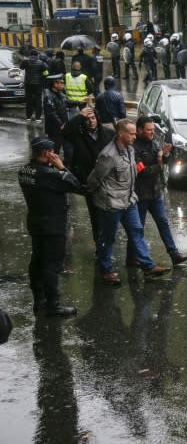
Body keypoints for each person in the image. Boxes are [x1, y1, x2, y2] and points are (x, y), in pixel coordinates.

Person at [86, 119, 170, 286]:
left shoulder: (130, 149)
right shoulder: (108, 155)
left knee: (137, 231)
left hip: (129, 200)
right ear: (120, 134)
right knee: (108, 238)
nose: (134, 136)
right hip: (111, 204)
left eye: (134, 133)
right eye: (131, 133)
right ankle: (106, 271)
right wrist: (100, 197)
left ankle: (147, 266)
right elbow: (94, 179)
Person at [18, 136, 84, 316]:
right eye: (53, 152)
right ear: (47, 153)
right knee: (52, 265)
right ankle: (53, 304)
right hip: (53, 225)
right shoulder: (50, 174)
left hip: (35, 222)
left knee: (37, 260)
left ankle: (39, 300)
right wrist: (62, 167)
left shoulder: (24, 171)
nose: (55, 154)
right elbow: (77, 186)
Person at [128, 116, 187, 267]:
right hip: (140, 194)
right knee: (138, 228)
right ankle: (131, 257)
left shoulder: (155, 141)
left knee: (163, 223)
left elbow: (163, 159)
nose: (152, 132)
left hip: (156, 192)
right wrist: (160, 162)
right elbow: (143, 171)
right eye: (148, 130)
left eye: (152, 129)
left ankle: (174, 254)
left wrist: (166, 154)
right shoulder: (133, 148)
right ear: (139, 130)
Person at [62, 106, 115, 244]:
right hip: (89, 181)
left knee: (111, 213)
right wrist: (80, 116)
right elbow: (65, 131)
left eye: (93, 118)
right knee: (95, 215)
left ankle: (109, 240)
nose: (91, 121)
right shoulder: (78, 135)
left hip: (108, 180)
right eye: (87, 119)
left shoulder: (109, 134)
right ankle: (99, 244)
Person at [43, 74, 81, 155]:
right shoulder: (48, 96)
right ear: (55, 84)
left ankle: (67, 165)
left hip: (63, 126)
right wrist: (61, 124)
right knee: (55, 150)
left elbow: (67, 103)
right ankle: (51, 166)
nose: (64, 84)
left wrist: (79, 102)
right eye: (62, 82)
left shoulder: (60, 93)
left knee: (68, 148)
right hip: (55, 129)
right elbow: (51, 113)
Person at [20, 49, 48, 122]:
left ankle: (28, 117)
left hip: (28, 84)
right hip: (38, 84)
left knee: (28, 100)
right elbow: (46, 73)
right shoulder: (41, 63)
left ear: (30, 55)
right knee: (38, 100)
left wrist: (24, 60)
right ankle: (37, 118)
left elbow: (21, 67)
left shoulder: (26, 62)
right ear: (37, 55)